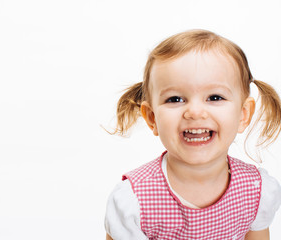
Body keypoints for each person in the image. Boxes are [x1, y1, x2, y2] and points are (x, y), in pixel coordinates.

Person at [104, 29, 281, 240]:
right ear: (152, 118)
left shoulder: (256, 191)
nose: (195, 112)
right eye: (175, 99)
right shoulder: (135, 201)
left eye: (214, 97)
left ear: (243, 115)